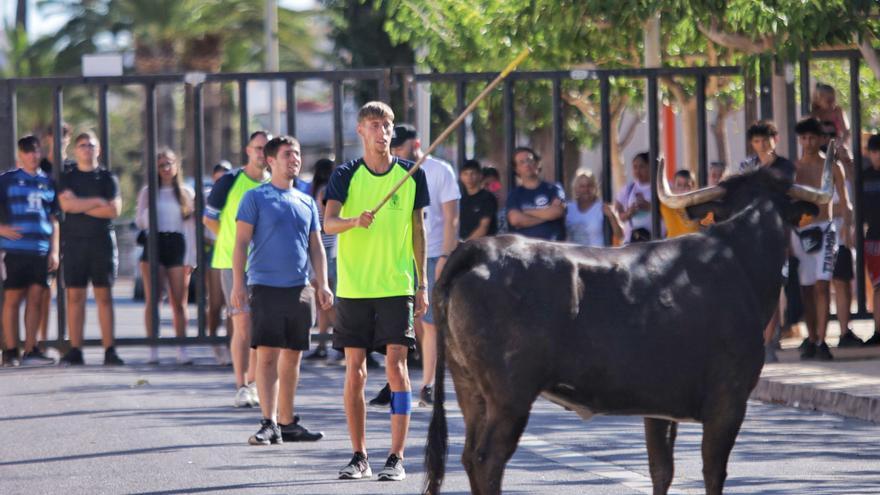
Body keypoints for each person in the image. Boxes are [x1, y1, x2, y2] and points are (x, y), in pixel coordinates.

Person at [324, 101, 429, 482]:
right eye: (374, 125)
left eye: (387, 125)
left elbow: (419, 230)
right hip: (354, 286)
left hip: (396, 285)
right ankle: (359, 455)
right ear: (360, 131)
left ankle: (396, 457)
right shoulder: (345, 175)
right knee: (355, 372)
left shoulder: (411, 174)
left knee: (397, 368)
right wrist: (355, 220)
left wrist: (422, 282)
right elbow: (329, 223)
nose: (382, 132)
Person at [231, 136, 329, 445]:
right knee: (268, 356)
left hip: (300, 290)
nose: (295, 159)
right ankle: (268, 421)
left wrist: (323, 283)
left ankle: (287, 422)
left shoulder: (307, 200)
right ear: (271, 160)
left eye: (297, 154)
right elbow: (240, 243)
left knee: (294, 358)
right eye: (288, 154)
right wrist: (237, 284)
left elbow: (316, 246)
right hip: (266, 286)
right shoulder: (255, 197)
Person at [385, 123, 459, 407]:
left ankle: (429, 383)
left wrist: (445, 256)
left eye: (399, 146)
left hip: (433, 253)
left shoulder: (440, 171)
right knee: (407, 320)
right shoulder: (394, 171)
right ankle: (398, 380)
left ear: (415, 144)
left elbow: (451, 217)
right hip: (400, 253)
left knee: (430, 324)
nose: (395, 151)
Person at [204, 131, 270, 407]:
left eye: (266, 149)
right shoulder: (230, 182)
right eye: (258, 148)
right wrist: (233, 241)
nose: (262, 154)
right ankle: (241, 385)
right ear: (247, 150)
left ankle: (254, 383)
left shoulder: (273, 183)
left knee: (258, 327)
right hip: (232, 264)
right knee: (242, 324)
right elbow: (209, 219)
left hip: (264, 265)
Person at [57, 132, 124, 366]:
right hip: (74, 243)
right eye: (83, 145)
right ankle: (75, 349)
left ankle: (110, 350)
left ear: (99, 150)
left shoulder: (107, 178)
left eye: (91, 145)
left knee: (104, 296)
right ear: (76, 150)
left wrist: (80, 205)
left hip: (101, 243)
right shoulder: (68, 177)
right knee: (75, 296)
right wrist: (97, 202)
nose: (87, 149)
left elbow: (114, 210)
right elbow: (66, 204)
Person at [791, 117, 852, 361]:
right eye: (803, 137)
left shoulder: (832, 167)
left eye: (812, 137)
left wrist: (847, 228)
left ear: (820, 139)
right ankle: (813, 336)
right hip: (800, 232)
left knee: (822, 285)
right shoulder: (794, 169)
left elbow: (845, 202)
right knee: (806, 288)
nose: (807, 142)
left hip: (826, 230)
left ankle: (822, 340)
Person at [0, 136, 59, 367]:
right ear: (20, 154)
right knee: (13, 298)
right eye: (27, 151)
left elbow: (54, 220)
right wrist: (2, 229)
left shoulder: (48, 182)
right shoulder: (7, 180)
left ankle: (31, 349)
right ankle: (11, 350)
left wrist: (54, 250)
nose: (32, 155)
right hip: (14, 250)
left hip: (40, 249)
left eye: (35, 151)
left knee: (36, 298)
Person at [136, 149, 198, 365]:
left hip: (177, 244)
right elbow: (140, 221)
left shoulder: (185, 193)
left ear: (176, 165)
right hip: (154, 243)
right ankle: (153, 347)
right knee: (153, 299)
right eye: (161, 165)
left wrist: (191, 257)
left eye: (169, 163)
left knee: (179, 301)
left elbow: (191, 228)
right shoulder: (148, 192)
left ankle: (181, 348)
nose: (165, 168)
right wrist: (149, 213)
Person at [37, 123, 76, 349]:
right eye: (54, 136)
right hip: (44, 236)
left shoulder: (73, 168)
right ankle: (43, 340)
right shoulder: (40, 167)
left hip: (72, 234)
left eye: (63, 136)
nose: (59, 140)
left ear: (68, 140)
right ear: (47, 139)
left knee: (71, 290)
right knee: (44, 291)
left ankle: (69, 340)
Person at [304, 158, 339, 361]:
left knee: (324, 300)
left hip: (321, 248)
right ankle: (328, 342)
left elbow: (323, 221)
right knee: (324, 300)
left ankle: (330, 342)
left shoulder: (317, 190)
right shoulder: (326, 191)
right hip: (326, 247)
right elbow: (329, 220)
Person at [506, 146, 565, 240]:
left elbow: (557, 212)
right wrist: (547, 216)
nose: (527, 164)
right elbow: (516, 220)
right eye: (521, 162)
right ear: (517, 169)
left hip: (553, 249)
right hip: (525, 251)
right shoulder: (514, 195)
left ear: (537, 163)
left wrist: (527, 212)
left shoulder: (554, 189)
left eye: (529, 160)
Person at [206, 161, 232, 365]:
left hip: (235, 253)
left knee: (235, 305)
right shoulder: (207, 196)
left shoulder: (236, 192)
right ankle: (214, 340)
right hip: (214, 253)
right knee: (216, 303)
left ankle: (232, 345)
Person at [565, 169, 622, 246]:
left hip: (596, 256)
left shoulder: (602, 208)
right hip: (573, 256)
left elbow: (620, 235)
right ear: (576, 189)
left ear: (595, 187)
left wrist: (611, 216)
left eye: (589, 185)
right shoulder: (569, 209)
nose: (586, 189)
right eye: (582, 186)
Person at [860, 134, 880, 346]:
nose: (877, 156)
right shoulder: (864, 176)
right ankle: (878, 330)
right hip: (874, 236)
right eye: (874, 152)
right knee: (877, 285)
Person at [615, 152, 653, 243]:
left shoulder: (660, 188)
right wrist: (630, 212)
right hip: (631, 241)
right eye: (635, 167)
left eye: (641, 167)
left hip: (655, 241)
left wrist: (650, 207)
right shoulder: (627, 190)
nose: (637, 171)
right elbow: (619, 217)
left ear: (650, 166)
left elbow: (669, 212)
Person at [459, 159, 497, 240]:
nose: (469, 177)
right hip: (463, 248)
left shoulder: (488, 198)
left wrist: (465, 244)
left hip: (485, 246)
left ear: (480, 175)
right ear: (461, 177)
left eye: (473, 173)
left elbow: (484, 226)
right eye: (465, 174)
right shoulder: (460, 200)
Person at [660, 169, 702, 239]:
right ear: (674, 187)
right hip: (672, 246)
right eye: (679, 185)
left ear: (693, 187)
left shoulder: (699, 205)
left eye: (687, 185)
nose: (682, 189)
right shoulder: (667, 204)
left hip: (694, 245)